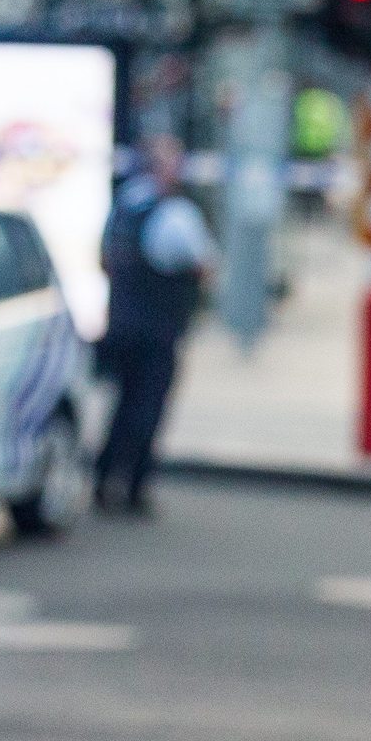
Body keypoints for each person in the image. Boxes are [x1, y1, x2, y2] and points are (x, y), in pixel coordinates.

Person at [94, 133, 214, 516]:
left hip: (119, 323)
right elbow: (203, 261)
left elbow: (104, 259)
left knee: (122, 403)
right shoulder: (175, 213)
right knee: (149, 406)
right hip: (158, 328)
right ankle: (135, 484)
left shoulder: (123, 205)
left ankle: (104, 476)